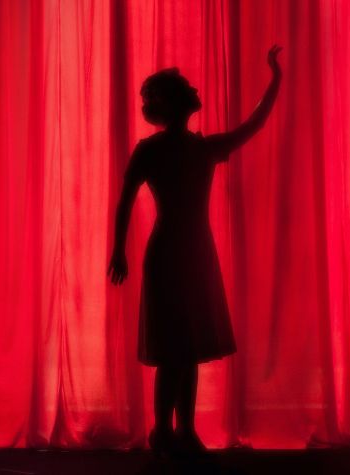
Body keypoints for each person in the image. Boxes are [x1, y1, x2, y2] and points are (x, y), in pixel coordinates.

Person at [108, 46, 282, 456]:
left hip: (192, 253)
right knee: (175, 349)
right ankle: (166, 432)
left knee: (186, 351)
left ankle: (180, 430)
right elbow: (125, 200)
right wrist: (117, 249)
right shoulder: (158, 150)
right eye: (183, 87)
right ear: (169, 102)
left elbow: (254, 125)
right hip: (173, 254)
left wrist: (275, 78)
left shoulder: (196, 147)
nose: (193, 88)